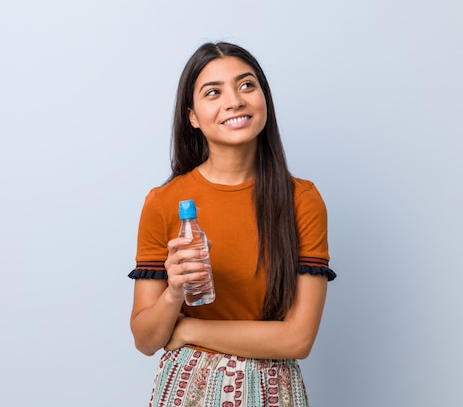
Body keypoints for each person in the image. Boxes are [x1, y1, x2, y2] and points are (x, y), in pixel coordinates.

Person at [128, 41, 336, 407]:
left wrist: (190, 327)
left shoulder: (301, 200)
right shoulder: (163, 203)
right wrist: (174, 292)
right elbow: (146, 340)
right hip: (187, 390)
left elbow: (298, 340)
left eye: (246, 85)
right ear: (192, 116)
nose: (235, 101)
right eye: (213, 92)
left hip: (274, 392)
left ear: (264, 99)